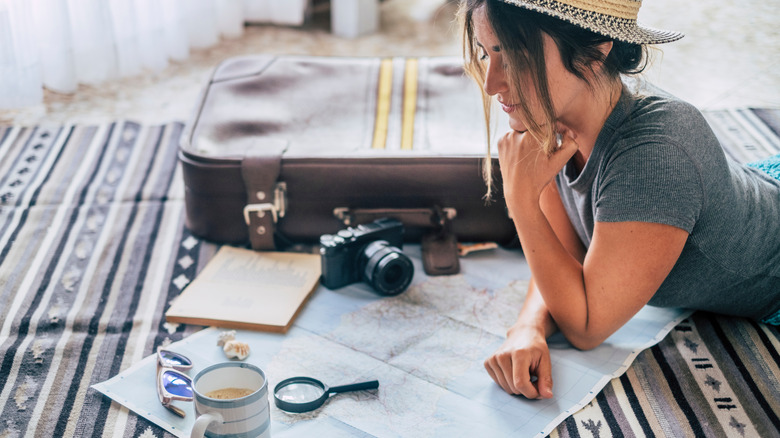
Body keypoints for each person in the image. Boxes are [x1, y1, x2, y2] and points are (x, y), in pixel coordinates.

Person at [458, 0, 780, 399]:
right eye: (488, 53)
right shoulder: (554, 111)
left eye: (516, 55)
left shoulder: (656, 155)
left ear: (595, 49)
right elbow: (565, 255)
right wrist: (528, 325)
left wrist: (521, 200)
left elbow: (587, 326)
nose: (492, 83)